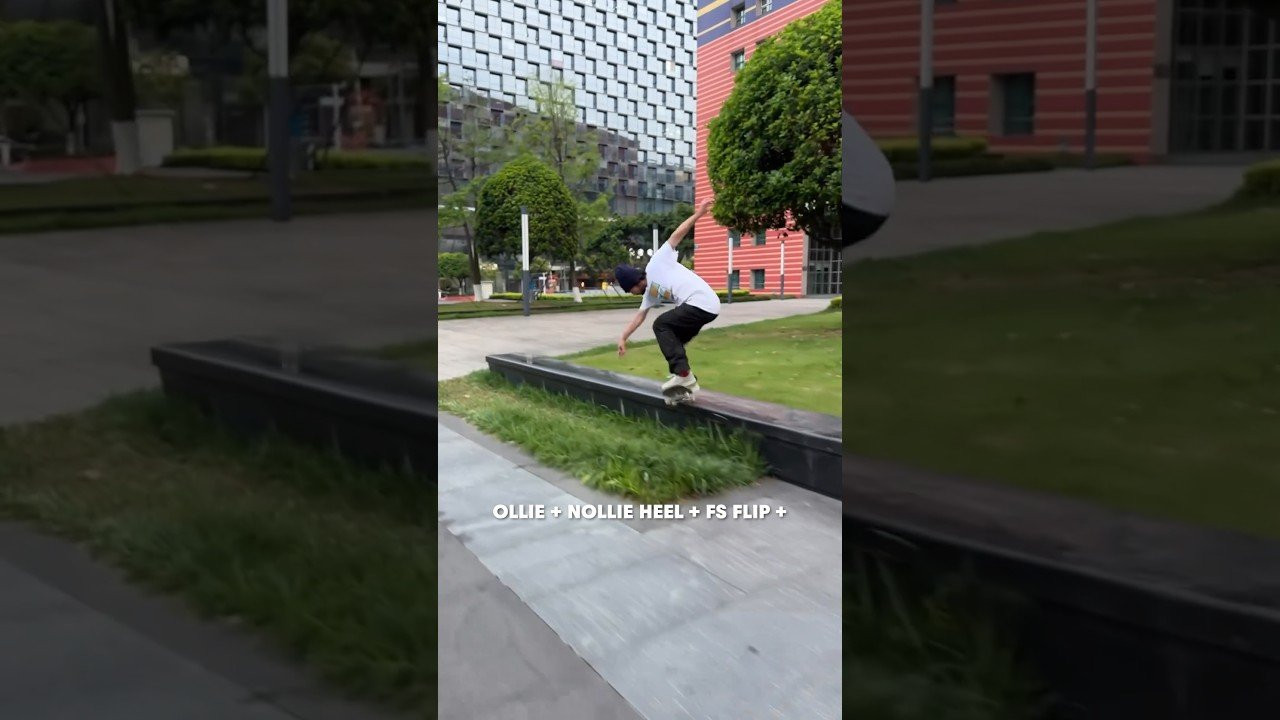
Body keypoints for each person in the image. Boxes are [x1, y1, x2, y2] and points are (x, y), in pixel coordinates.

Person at [614, 199, 720, 396]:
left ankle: (683, 374)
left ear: (634, 284)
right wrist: (623, 337)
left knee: (661, 325)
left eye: (631, 291)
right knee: (674, 339)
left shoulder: (656, 264)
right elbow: (640, 316)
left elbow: (676, 235)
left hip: (700, 301)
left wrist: (699, 214)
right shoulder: (651, 293)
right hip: (707, 308)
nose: (634, 295)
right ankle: (686, 382)